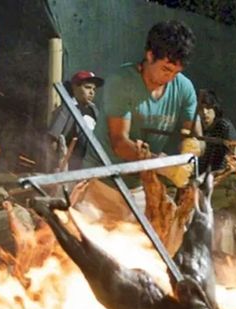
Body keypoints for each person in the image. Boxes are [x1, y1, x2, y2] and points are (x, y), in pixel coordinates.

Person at [78, 20, 201, 221]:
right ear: (150, 55)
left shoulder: (184, 88)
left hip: (139, 187)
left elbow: (195, 132)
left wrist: (192, 145)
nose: (170, 78)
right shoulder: (121, 81)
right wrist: (163, 165)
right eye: (166, 69)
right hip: (100, 183)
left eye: (176, 72)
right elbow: (120, 143)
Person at [47, 70, 104, 170]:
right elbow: (53, 139)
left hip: (93, 164)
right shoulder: (66, 110)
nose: (92, 92)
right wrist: (55, 165)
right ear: (74, 87)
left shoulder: (94, 110)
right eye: (87, 87)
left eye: (94, 89)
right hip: (71, 166)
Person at [196, 88, 236, 172]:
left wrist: (227, 168)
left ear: (215, 108)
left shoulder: (223, 125)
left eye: (208, 108)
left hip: (218, 172)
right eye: (201, 109)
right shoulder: (197, 127)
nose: (205, 112)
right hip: (200, 171)